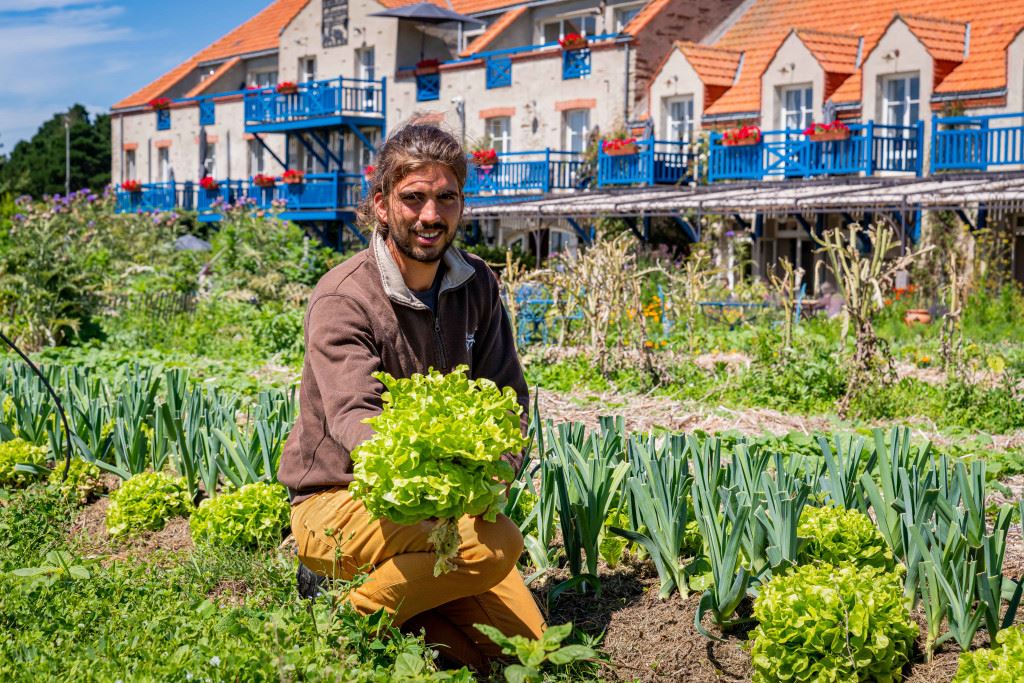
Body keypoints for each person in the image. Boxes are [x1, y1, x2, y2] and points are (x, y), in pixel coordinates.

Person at [277, 123, 546, 671]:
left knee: (521, 651)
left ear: (461, 204)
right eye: (414, 198)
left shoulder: (477, 285)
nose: (431, 215)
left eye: (446, 198)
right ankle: (343, 621)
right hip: (337, 500)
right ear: (381, 204)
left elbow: (508, 394)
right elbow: (357, 418)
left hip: (444, 513)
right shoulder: (345, 297)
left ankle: (372, 597)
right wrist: (430, 487)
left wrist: (496, 466)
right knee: (493, 547)